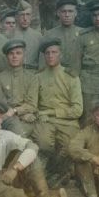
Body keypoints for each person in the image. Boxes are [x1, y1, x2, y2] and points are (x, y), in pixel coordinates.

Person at [31, 37, 83, 187]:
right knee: (43, 142)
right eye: (47, 53)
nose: (51, 56)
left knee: (69, 146)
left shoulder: (71, 77)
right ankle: (52, 174)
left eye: (54, 52)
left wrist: (52, 112)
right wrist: (40, 114)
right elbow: (34, 105)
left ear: (60, 54)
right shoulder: (38, 77)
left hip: (67, 122)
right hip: (45, 120)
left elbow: (78, 110)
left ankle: (59, 173)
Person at [0, 39, 37, 137]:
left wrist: (16, 111)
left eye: (18, 53)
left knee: (20, 136)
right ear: (7, 57)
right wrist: (11, 113)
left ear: (23, 56)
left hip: (26, 119)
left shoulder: (31, 77)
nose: (15, 56)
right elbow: (0, 102)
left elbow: (32, 104)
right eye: (11, 53)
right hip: (6, 118)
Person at [40, 0, 81, 69]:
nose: (67, 15)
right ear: (58, 13)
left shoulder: (83, 33)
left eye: (70, 11)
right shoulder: (49, 34)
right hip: (55, 74)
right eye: (63, 11)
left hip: (78, 75)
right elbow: (43, 60)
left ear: (76, 13)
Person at [12, 0, 42, 71]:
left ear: (31, 16)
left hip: (33, 75)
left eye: (28, 15)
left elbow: (42, 60)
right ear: (16, 17)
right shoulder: (8, 35)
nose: (25, 18)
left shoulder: (38, 36)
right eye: (22, 15)